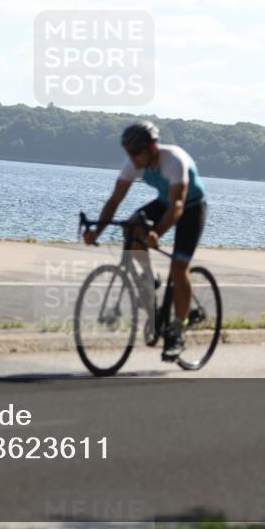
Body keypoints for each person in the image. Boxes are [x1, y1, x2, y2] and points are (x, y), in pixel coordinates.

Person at [83, 121, 208, 360]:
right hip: (165, 201)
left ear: (152, 148)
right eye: (128, 153)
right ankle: (150, 279)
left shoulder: (174, 161)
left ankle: (177, 332)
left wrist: (156, 234)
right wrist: (96, 232)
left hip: (191, 208)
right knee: (131, 228)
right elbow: (114, 201)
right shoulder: (133, 163)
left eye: (136, 153)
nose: (132, 158)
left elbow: (178, 206)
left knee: (179, 266)